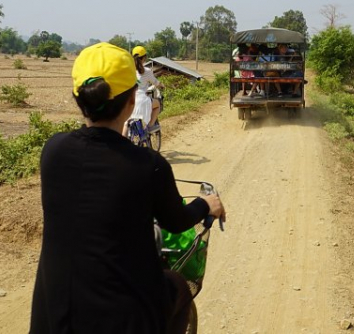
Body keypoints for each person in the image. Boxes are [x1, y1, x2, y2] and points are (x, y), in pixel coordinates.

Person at [29, 42, 226, 334]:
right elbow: (176, 221)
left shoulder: (53, 151)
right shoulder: (149, 165)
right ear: (132, 102)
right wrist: (207, 203)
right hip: (124, 319)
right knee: (177, 287)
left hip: (52, 317)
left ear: (77, 98)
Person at [130, 45, 162, 130]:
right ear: (144, 58)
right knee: (157, 104)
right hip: (141, 100)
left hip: (129, 102)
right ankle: (150, 126)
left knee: (127, 123)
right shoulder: (146, 71)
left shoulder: (129, 70)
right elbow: (156, 82)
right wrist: (162, 85)